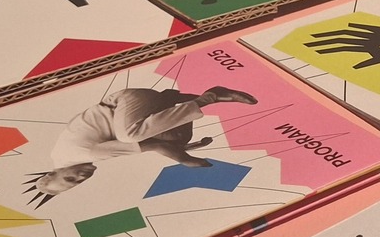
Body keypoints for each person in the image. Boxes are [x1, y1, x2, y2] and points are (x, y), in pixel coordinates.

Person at [25, 85, 258, 207]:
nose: (80, 178)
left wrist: (186, 160)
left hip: (129, 101)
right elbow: (156, 142)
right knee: (174, 139)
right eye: (77, 183)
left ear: (53, 172)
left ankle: (210, 96)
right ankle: (171, 98)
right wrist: (185, 149)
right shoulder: (63, 155)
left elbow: (153, 145)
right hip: (136, 106)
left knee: (130, 136)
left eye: (70, 178)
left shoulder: (85, 153)